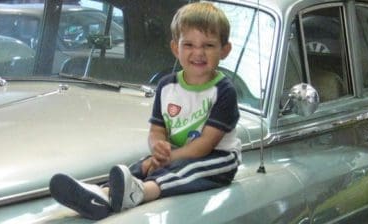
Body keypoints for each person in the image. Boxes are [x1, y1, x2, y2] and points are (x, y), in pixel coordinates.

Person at [48, 2, 241, 220]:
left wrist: (167, 159)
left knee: (186, 172)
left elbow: (205, 145)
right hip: (178, 153)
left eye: (208, 45)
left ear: (225, 50)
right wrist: (157, 148)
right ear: (175, 48)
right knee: (139, 165)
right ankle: (102, 194)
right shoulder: (167, 86)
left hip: (219, 159)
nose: (198, 52)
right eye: (188, 44)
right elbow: (157, 130)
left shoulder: (224, 90)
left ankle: (141, 192)